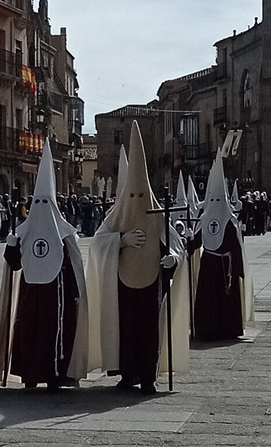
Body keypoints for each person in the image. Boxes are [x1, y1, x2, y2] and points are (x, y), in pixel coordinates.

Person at [85, 121, 190, 395]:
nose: (136, 199)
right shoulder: (116, 217)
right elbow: (97, 243)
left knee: (149, 330)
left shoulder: (157, 214)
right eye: (132, 195)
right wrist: (120, 240)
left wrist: (173, 260)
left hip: (151, 284)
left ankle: (148, 376)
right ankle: (127, 373)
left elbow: (176, 246)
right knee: (125, 329)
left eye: (140, 195)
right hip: (122, 285)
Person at [0, 141, 89, 390]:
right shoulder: (23, 233)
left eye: (46, 204)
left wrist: (76, 294)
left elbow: (74, 264)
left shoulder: (66, 235)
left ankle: (54, 375)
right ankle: (30, 374)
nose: (41, 209)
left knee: (53, 333)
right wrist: (11, 244)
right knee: (29, 331)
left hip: (57, 295)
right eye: (38, 203)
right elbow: (15, 265)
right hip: (31, 294)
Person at [189, 153, 253, 341]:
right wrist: (186, 245)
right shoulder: (225, 221)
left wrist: (189, 244)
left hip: (218, 265)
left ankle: (216, 329)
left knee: (213, 297)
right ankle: (217, 329)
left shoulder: (211, 219)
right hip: (218, 264)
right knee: (216, 298)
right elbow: (234, 246)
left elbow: (233, 246)